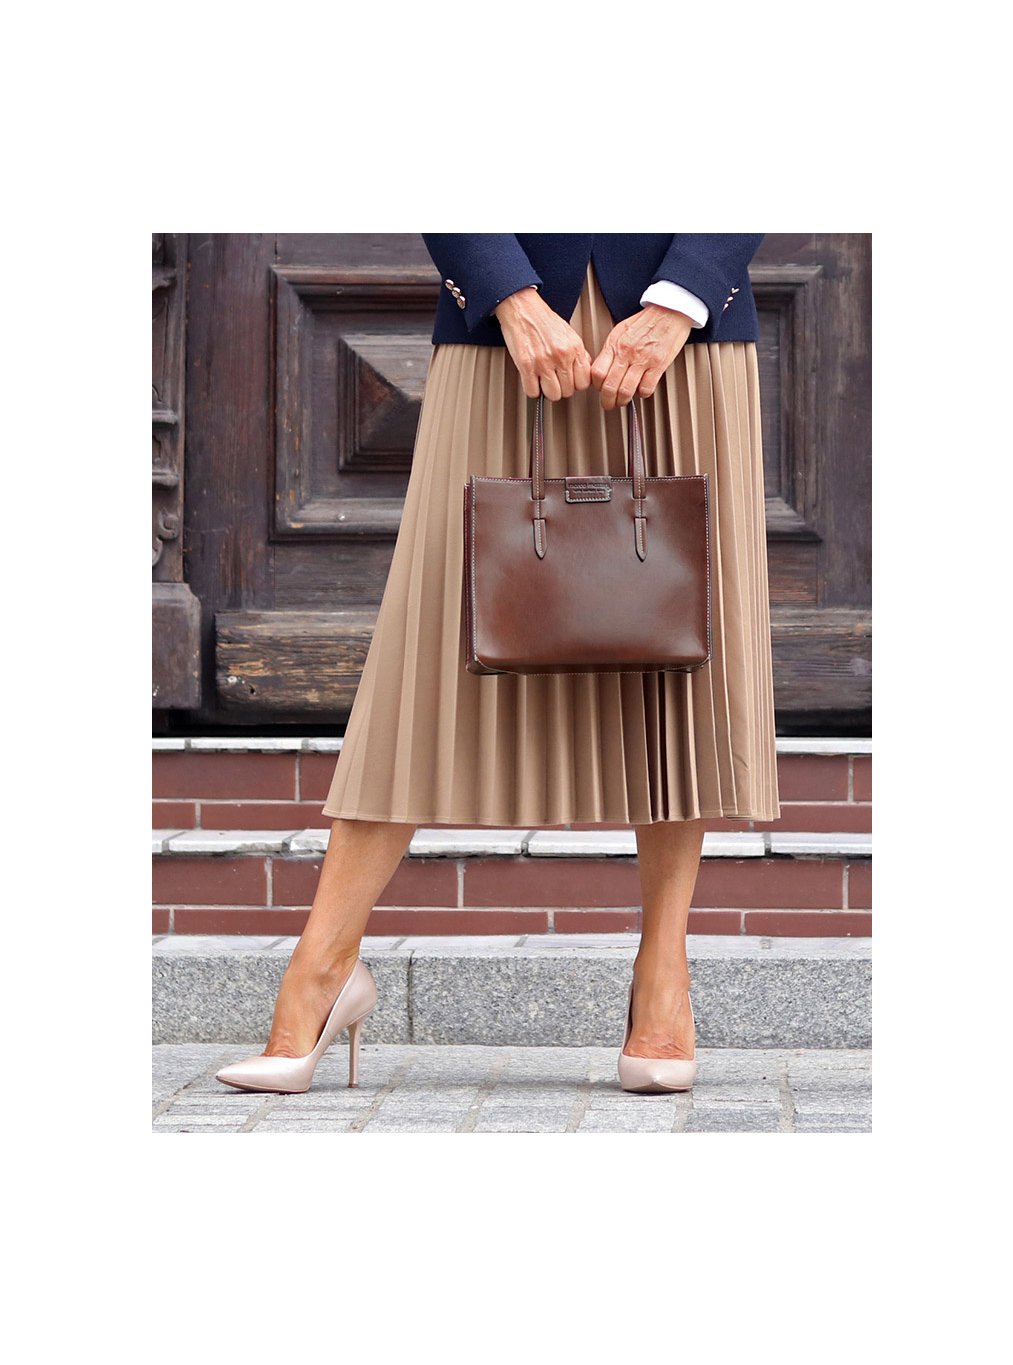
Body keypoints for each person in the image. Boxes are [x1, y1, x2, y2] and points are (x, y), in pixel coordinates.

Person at [216, 233, 781, 1098]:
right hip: (503, 325)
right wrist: (507, 295)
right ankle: (324, 965)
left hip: (684, 329)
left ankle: (664, 975)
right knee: (425, 650)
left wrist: (684, 298)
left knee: (680, 652)